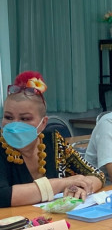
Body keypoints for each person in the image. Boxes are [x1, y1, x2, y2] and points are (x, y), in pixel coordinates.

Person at [0, 71, 105, 207]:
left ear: (43, 123)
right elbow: (2, 196)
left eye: (25, 119)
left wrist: (81, 187)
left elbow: (96, 175)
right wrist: (63, 183)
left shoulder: (54, 140)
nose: (15, 124)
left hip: (54, 222)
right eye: (8, 117)